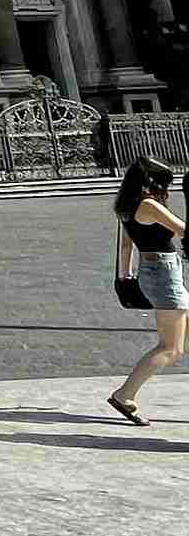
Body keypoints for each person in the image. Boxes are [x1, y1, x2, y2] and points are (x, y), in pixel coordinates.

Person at [107, 156, 185, 425]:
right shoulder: (149, 205)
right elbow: (182, 229)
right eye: (164, 183)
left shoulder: (126, 206)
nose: (167, 189)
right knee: (171, 349)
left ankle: (124, 395)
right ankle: (124, 396)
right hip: (164, 275)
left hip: (151, 270)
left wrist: (125, 276)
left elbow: (126, 246)